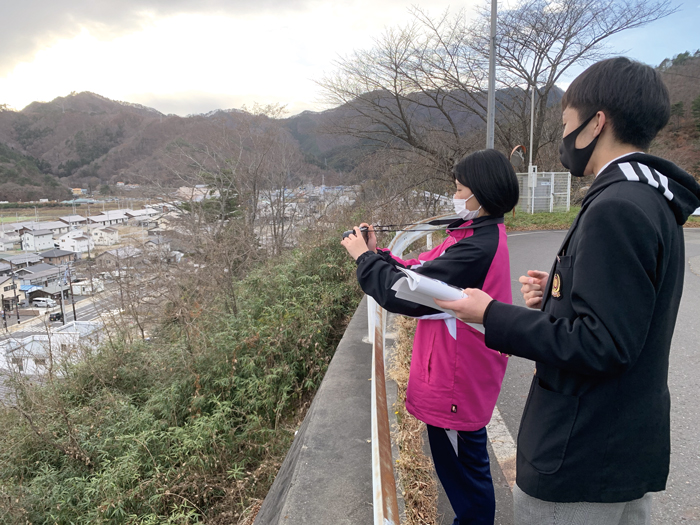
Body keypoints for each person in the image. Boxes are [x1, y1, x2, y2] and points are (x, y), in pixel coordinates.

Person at [436, 57, 700, 525]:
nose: (563, 137)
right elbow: (630, 316)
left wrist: (492, 313)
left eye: (566, 123)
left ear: (597, 122)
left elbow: (602, 345)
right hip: (624, 448)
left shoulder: (616, 207)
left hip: (579, 454)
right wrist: (559, 295)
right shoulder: (653, 200)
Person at [341, 149, 520, 525]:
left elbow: (405, 294)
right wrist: (379, 254)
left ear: (481, 194)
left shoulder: (476, 247)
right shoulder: (474, 235)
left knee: (466, 479)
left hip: (457, 381)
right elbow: (421, 272)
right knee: (463, 470)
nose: (455, 197)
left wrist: (364, 260)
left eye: (459, 189)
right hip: (455, 374)